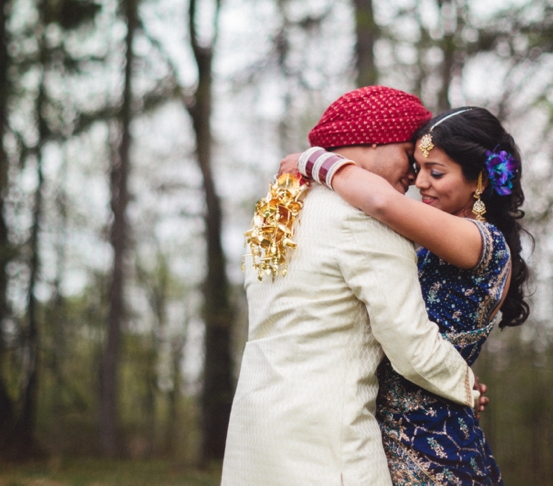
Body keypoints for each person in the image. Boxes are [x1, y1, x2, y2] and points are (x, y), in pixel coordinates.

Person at [222, 87, 485, 486]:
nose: (414, 176)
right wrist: (465, 384)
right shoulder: (362, 221)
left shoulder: (277, 210)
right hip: (327, 445)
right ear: (375, 139)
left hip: (253, 432)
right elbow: (410, 345)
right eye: (408, 154)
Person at [286, 106, 530, 485]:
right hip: (387, 436)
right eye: (417, 169)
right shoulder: (439, 242)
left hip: (434, 451)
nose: (420, 183)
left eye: (436, 172)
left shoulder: (481, 240)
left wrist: (312, 160)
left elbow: (382, 202)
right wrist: (463, 376)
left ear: (479, 178)